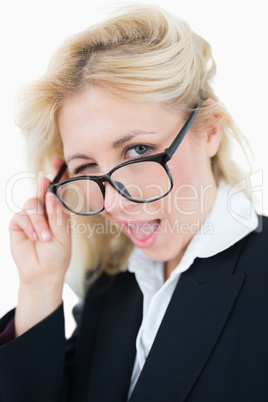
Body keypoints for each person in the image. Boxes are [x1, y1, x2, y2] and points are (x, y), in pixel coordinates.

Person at [0, 3, 267, 402]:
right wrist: (39, 286)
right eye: (86, 165)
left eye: (138, 150)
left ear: (209, 130)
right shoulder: (111, 289)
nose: (114, 203)